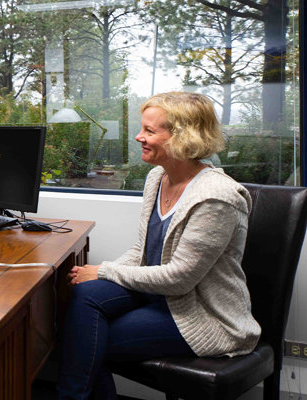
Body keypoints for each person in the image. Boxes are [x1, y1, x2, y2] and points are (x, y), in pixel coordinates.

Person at [56, 92, 261, 399]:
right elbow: (142, 252)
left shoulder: (217, 198)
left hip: (201, 314)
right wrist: (98, 274)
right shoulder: (157, 178)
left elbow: (179, 279)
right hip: (158, 297)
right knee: (84, 296)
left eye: (150, 131)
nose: (139, 137)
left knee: (85, 341)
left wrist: (105, 270)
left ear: (183, 137)